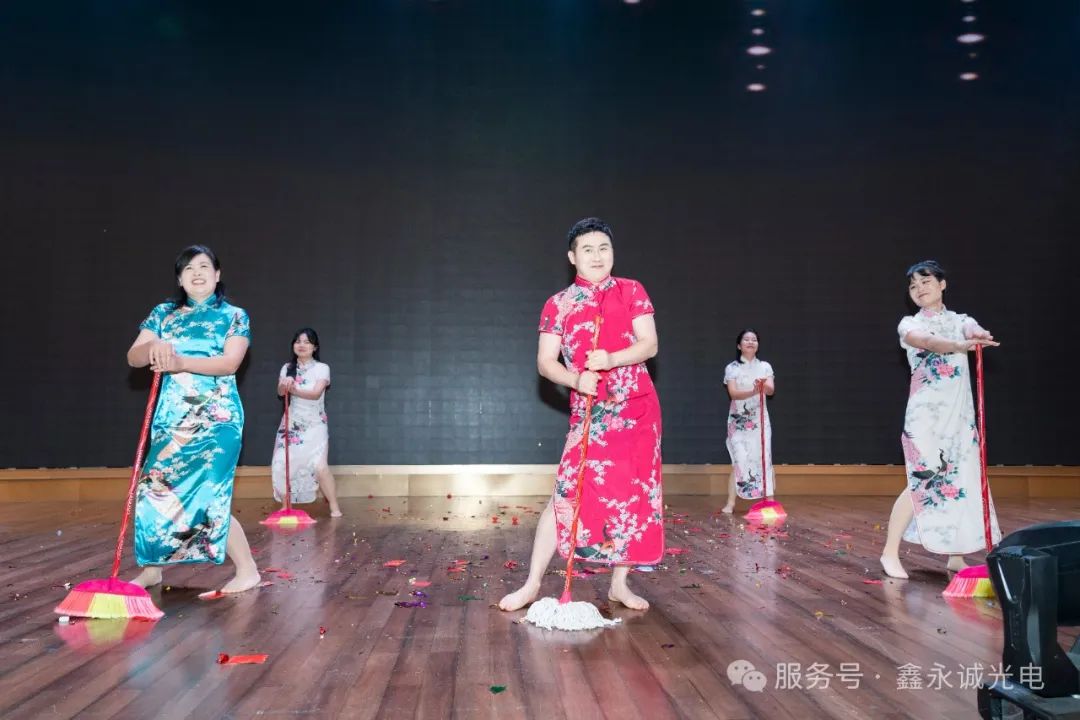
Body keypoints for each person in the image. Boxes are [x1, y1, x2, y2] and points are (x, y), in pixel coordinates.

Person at [499, 217, 663, 613]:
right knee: (565, 495)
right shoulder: (558, 304)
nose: (597, 256)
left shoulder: (632, 290)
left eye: (604, 248)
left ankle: (619, 584)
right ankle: (532, 585)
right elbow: (545, 363)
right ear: (572, 257)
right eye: (587, 249)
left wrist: (612, 359)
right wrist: (575, 379)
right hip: (591, 412)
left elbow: (649, 344)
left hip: (637, 409)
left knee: (632, 496)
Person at [126, 245, 260, 594]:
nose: (196, 273)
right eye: (188, 268)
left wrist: (181, 361)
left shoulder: (234, 315)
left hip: (218, 418)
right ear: (179, 279)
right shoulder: (163, 314)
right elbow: (134, 357)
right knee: (155, 489)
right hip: (172, 419)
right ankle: (152, 569)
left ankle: (248, 570)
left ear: (217, 275)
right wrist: (152, 349)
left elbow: (229, 363)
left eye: (203, 266)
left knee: (209, 492)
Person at [879, 260, 1001, 579]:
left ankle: (955, 557)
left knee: (958, 479)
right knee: (923, 480)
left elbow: (972, 330)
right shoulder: (909, 324)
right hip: (926, 416)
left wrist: (979, 335)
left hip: (959, 415)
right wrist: (958, 346)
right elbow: (927, 342)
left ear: (942, 284)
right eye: (913, 285)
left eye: (926, 282)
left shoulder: (961, 320)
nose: (919, 289)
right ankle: (889, 552)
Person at [272, 327, 341, 517]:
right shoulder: (287, 368)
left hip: (315, 424)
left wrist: (293, 389)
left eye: (307, 342)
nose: (301, 345)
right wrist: (284, 384)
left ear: (315, 347)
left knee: (320, 467)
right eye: (298, 341)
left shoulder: (322, 368)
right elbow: (280, 393)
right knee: (282, 463)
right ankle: (285, 506)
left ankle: (334, 506)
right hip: (292, 424)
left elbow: (315, 394)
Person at [721, 329, 776, 514]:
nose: (751, 342)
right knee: (739, 459)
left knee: (764, 458)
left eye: (754, 340)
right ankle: (731, 502)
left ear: (758, 345)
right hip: (738, 422)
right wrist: (753, 391)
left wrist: (763, 385)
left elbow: (771, 390)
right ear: (739, 345)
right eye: (746, 339)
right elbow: (733, 393)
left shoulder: (765, 367)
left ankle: (770, 501)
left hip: (760, 421)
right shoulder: (732, 368)